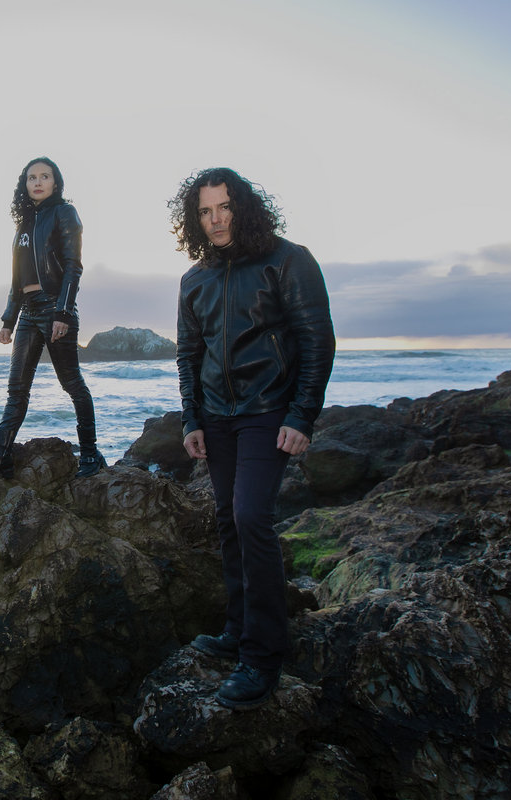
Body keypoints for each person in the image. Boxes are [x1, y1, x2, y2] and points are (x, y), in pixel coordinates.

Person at [171, 167, 334, 710]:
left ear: (243, 208)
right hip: (217, 417)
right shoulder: (193, 280)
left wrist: (302, 416)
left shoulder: (287, 260)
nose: (216, 220)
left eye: (225, 207)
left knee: (250, 517)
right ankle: (238, 629)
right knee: (227, 519)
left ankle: (263, 655)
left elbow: (317, 340)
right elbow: (188, 356)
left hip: (269, 412)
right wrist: (191, 420)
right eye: (205, 211)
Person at [0, 157, 105, 483]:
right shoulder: (24, 224)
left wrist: (63, 312)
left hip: (56, 308)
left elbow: (73, 266)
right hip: (28, 313)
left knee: (72, 384)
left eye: (45, 176)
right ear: (25, 184)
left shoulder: (64, 213)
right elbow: (17, 279)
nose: (38, 182)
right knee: (16, 391)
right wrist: (8, 320)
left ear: (55, 183)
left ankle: (90, 453)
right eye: (32, 177)